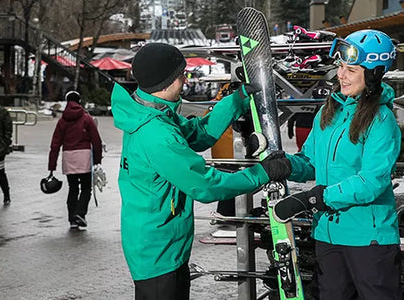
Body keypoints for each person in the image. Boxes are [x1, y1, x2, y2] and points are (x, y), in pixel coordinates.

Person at [111, 42, 291, 300]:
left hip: (158, 242)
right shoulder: (157, 135)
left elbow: (199, 134)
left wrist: (236, 101)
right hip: (159, 250)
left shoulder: (151, 113)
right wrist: (262, 173)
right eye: (181, 74)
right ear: (166, 81)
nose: (185, 80)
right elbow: (206, 186)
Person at [272, 29, 402, 299]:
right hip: (328, 235)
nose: (341, 75)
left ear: (373, 75)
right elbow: (311, 161)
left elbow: (372, 181)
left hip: (368, 239)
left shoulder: (381, 120)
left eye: (351, 70)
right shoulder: (329, 110)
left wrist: (314, 198)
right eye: (341, 66)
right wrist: (286, 165)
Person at [47, 90, 103, 229]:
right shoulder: (86, 118)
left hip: (69, 157)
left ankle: (72, 219)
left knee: (73, 188)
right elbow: (96, 141)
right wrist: (97, 160)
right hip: (84, 157)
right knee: (85, 188)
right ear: (79, 101)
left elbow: (55, 143)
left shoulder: (62, 121)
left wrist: (52, 166)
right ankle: (80, 213)